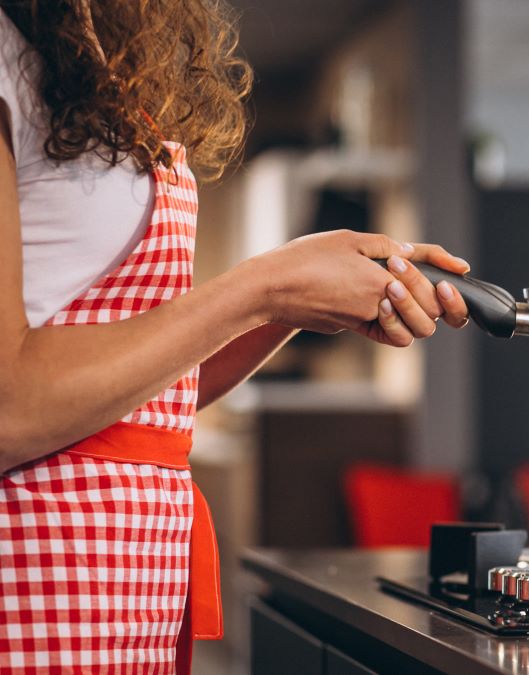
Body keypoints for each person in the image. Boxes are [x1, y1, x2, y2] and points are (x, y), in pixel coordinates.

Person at [0, 1, 470, 671]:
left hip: (126, 598)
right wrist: (264, 286)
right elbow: (11, 404)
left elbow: (144, 396)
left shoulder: (81, 55)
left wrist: (289, 308)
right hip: (32, 578)